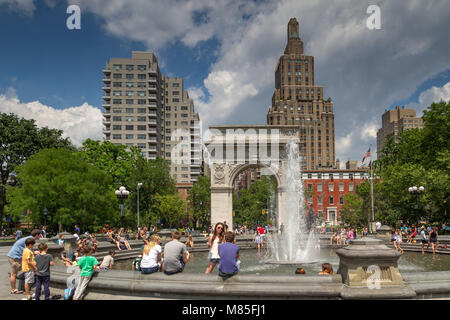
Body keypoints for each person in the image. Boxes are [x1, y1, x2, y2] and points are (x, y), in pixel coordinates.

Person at [7, 229, 42, 294]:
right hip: (15, 257)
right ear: (36, 235)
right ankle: (13, 289)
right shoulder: (31, 240)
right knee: (14, 274)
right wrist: (35, 253)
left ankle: (14, 277)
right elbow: (29, 252)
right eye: (39, 235)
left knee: (16, 271)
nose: (40, 237)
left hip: (14, 256)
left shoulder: (29, 238)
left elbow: (27, 250)